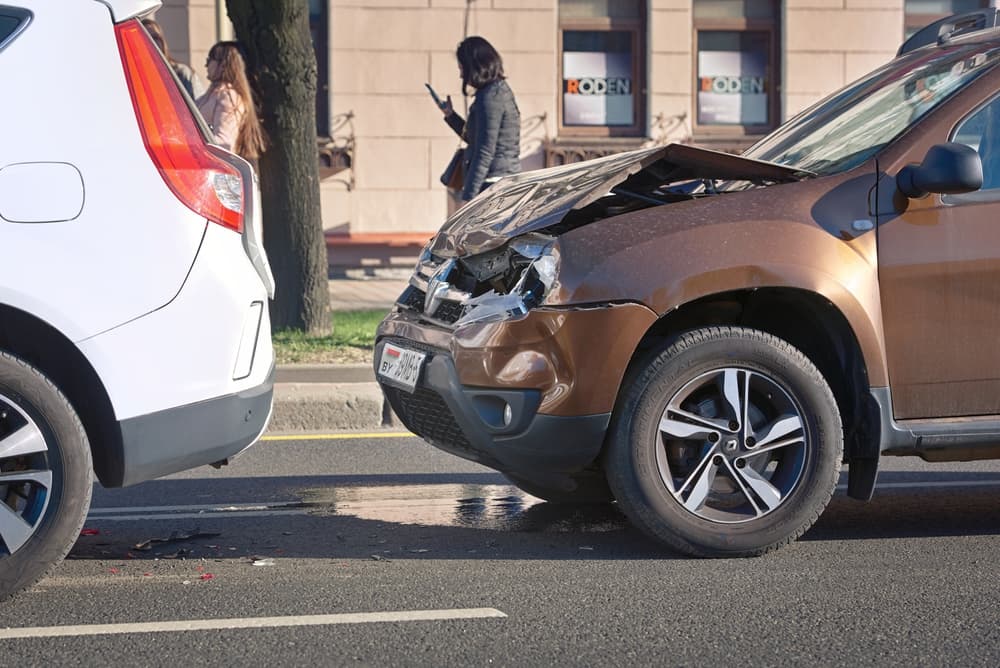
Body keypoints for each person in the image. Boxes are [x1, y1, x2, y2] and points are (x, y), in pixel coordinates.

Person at [440, 36, 521, 201]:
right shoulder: (493, 92)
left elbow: (484, 151)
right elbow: (475, 138)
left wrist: (469, 198)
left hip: (493, 184)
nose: (461, 75)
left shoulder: (491, 97)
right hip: (497, 180)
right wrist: (451, 116)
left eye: (462, 68)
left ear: (475, 67)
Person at [196, 41, 267, 163]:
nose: (206, 65)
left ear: (223, 65)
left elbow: (224, 142)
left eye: (210, 60)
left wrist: (196, 145)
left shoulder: (228, 97)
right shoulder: (214, 94)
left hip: (216, 166)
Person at [141, 18, 207, 100]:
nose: (151, 42)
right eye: (145, 37)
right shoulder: (135, 77)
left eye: (155, 37)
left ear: (162, 41)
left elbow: (199, 107)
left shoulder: (182, 73)